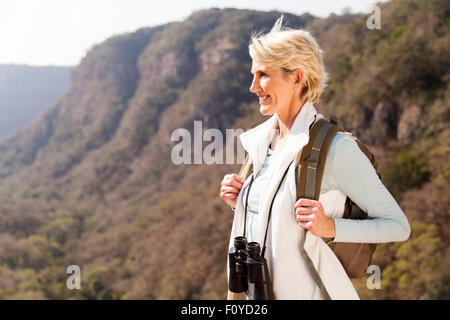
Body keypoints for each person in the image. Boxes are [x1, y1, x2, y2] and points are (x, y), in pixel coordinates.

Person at [219, 16, 411, 300]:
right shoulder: (260, 143)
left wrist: (330, 227)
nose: (253, 87)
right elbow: (275, 223)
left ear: (296, 77)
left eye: (263, 75)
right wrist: (244, 202)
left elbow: (398, 226)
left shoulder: (337, 149)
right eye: (253, 75)